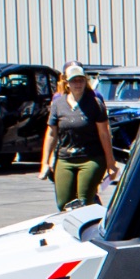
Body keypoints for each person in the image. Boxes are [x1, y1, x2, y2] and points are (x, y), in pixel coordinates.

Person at [40, 63, 116, 210]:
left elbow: (104, 133)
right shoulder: (58, 104)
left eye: (81, 80)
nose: (78, 84)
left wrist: (110, 163)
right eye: (74, 80)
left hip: (91, 157)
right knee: (64, 203)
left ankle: (90, 225)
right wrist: (46, 162)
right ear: (67, 83)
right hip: (65, 157)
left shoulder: (95, 102)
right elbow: (51, 133)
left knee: (83, 200)